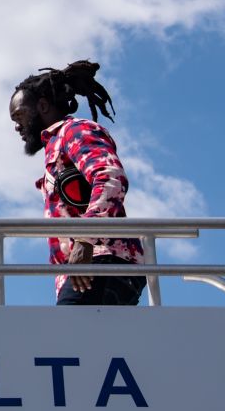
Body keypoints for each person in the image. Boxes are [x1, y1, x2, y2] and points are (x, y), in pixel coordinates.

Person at [8, 60, 145, 306]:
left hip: (100, 260)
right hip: (87, 267)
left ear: (42, 106)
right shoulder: (56, 145)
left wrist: (85, 238)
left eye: (19, 115)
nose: (17, 127)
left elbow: (110, 176)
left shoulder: (74, 131)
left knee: (64, 332)